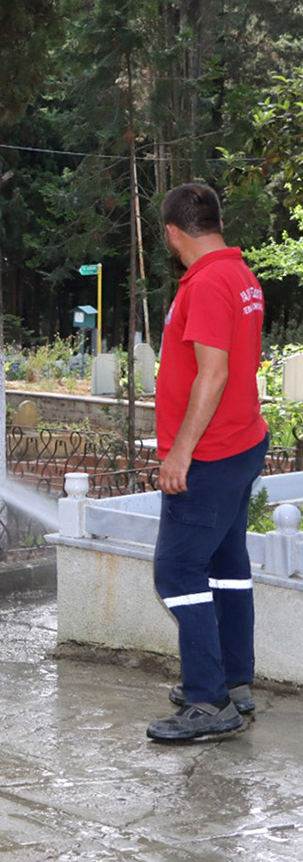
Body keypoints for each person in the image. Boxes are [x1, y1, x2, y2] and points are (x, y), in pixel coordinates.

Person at [147, 183, 269, 741]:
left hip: (210, 453)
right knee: (225, 563)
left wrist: (180, 452)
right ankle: (234, 681)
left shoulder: (208, 283)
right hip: (241, 442)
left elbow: (213, 375)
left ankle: (209, 700)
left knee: (176, 570)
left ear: (173, 233)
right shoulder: (240, 275)